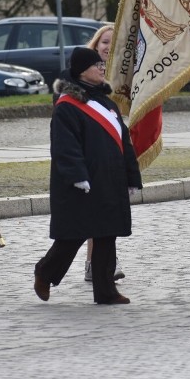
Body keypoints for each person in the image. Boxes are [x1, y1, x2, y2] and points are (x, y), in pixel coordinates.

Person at [34, 47, 142, 305]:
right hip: (82, 182)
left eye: (103, 66)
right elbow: (64, 146)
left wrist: (131, 176)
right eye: (97, 66)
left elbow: (123, 141)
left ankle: (105, 291)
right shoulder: (67, 106)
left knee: (107, 233)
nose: (102, 69)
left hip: (110, 179)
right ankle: (45, 272)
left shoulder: (107, 102)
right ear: (82, 71)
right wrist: (77, 175)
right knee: (73, 236)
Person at [79, 24, 126, 283]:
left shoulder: (124, 77)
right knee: (97, 210)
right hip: (90, 153)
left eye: (114, 42)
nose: (108, 47)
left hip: (115, 152)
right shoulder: (79, 78)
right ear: (96, 45)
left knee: (111, 209)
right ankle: (99, 263)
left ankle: (98, 263)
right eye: (105, 42)